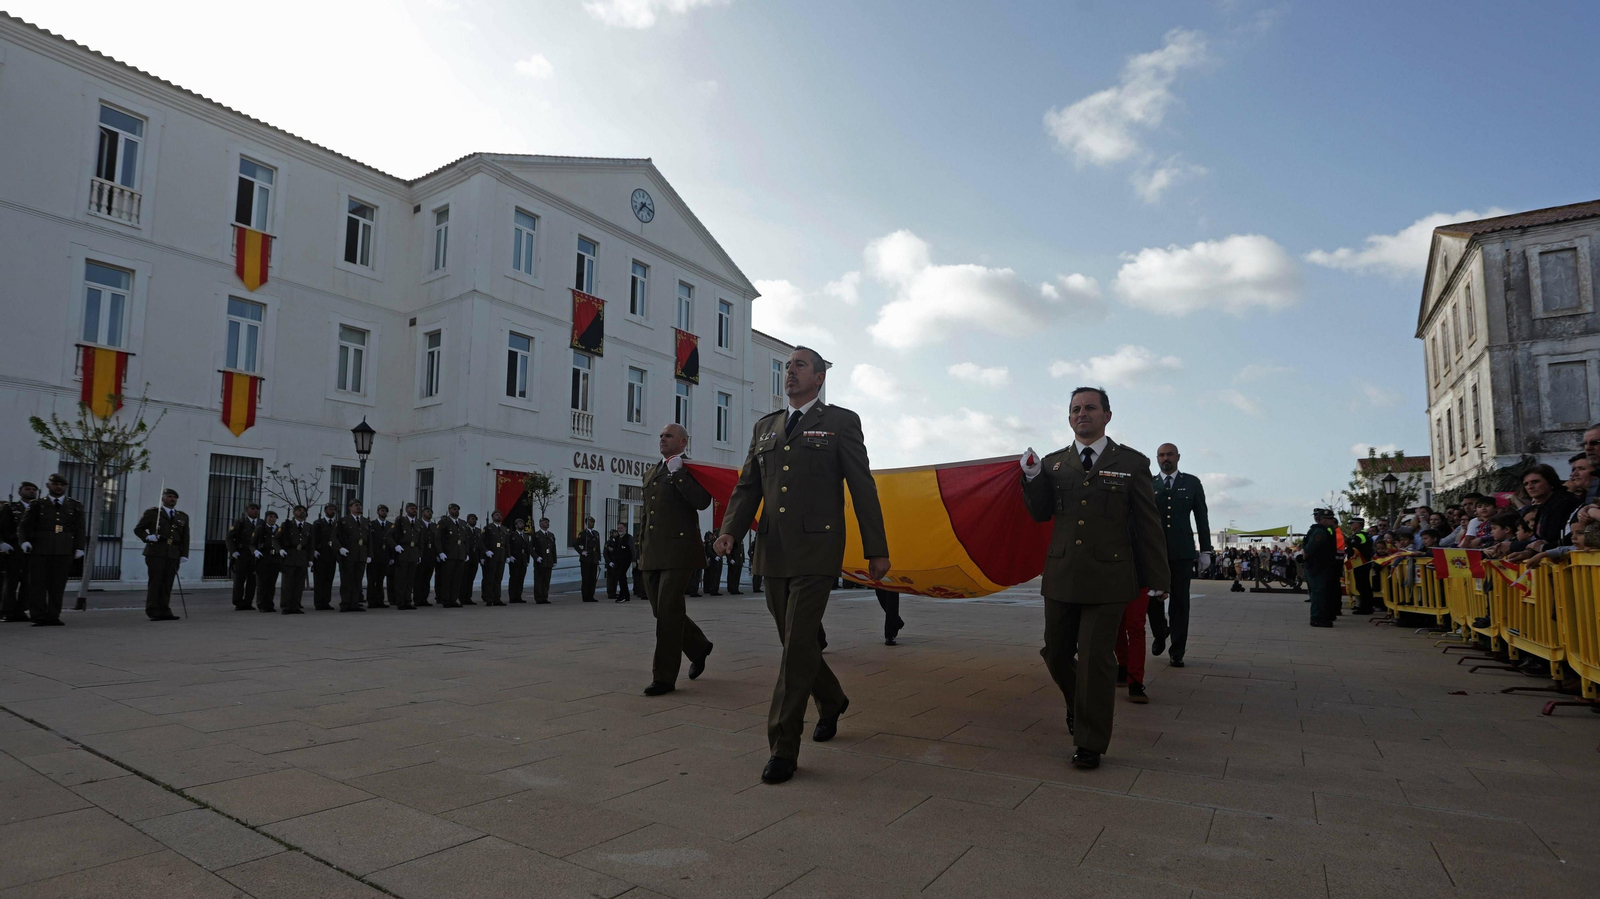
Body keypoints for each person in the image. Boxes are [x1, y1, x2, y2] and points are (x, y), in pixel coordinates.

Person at [714, 346, 890, 785]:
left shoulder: (839, 422)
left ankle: (783, 747)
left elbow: (862, 488)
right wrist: (730, 529)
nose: (790, 371)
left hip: (817, 550)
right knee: (795, 642)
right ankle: (831, 700)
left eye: (799, 365)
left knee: (795, 649)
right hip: (772, 550)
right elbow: (747, 486)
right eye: (786, 365)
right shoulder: (765, 427)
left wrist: (876, 548)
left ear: (819, 377)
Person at [1020, 387, 1168, 770]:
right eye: (1075, 410)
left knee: (1094, 661)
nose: (1081, 414)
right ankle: (1077, 704)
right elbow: (1039, 515)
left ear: (1107, 415)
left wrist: (1158, 576)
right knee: (1055, 653)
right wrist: (1032, 477)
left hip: (1109, 577)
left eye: (1089, 408)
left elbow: (1148, 524)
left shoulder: (1132, 463)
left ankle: (1089, 740)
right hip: (1063, 575)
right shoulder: (1053, 464)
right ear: (1069, 419)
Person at [639, 422, 716, 696]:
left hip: (679, 552)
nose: (662, 439)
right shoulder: (651, 472)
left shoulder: (690, 469)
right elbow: (647, 517)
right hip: (652, 553)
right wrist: (641, 550)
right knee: (661, 611)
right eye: (660, 435)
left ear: (683, 442)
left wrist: (680, 475)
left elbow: (702, 501)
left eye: (668, 435)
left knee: (668, 614)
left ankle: (664, 678)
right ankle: (699, 646)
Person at [1151, 443, 1211, 669]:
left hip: (1181, 551)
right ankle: (1160, 632)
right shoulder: (1150, 483)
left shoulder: (1192, 483)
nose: (1165, 458)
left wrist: (1206, 550)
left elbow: (1201, 518)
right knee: (1150, 598)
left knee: (1180, 602)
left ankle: (1177, 650)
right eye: (1161, 455)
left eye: (1169, 454)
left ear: (1178, 457)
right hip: (1154, 552)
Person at [18, 473, 86, 627]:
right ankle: (39, 616)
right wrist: (24, 542)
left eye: (61, 485)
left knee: (57, 585)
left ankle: (54, 615)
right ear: (48, 486)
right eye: (55, 484)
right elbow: (23, 526)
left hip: (63, 550)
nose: (58, 487)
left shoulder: (74, 505)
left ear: (66, 487)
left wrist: (80, 547)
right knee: (37, 585)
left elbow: (80, 528)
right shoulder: (37, 504)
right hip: (40, 550)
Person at [132, 487, 187, 621]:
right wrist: (148, 537)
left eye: (174, 497)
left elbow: (185, 536)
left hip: (173, 553)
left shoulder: (182, 516)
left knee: (167, 583)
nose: (172, 499)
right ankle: (153, 610)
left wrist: (184, 553)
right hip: (156, 551)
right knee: (155, 582)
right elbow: (138, 529)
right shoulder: (153, 513)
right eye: (169, 496)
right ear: (163, 498)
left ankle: (165, 609)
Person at [0, 481, 38, 623]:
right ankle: (7, 611)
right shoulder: (10, 508)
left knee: (28, 582)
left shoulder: (40, 509)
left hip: (33, 550)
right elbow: (2, 528)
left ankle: (21, 610)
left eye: (34, 489)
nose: (31, 491)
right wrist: (2, 543)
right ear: (20, 492)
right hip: (14, 549)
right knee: (11, 582)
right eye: (27, 489)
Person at [1303, 509, 1340, 627]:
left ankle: (1321, 616)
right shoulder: (1319, 532)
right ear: (1323, 520)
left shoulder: (1325, 531)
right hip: (1317, 567)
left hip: (1322, 566)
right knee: (1318, 592)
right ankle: (1316, 618)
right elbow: (1308, 550)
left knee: (1322, 592)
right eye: (1329, 518)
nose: (1332, 520)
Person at [226, 502, 262, 611]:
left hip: (254, 556)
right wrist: (233, 552)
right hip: (242, 555)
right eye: (252, 509)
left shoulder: (261, 523)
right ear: (247, 510)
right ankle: (238, 602)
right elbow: (229, 538)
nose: (255, 511)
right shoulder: (240, 523)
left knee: (252, 581)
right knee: (239, 580)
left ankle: (248, 602)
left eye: (256, 509)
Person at [278, 505, 313, 614]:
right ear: (294, 513)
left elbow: (311, 545)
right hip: (290, 556)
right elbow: (276, 539)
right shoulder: (287, 525)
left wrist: (310, 558)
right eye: (299, 510)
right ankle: (286, 606)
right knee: (287, 584)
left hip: (302, 557)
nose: (302, 512)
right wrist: (280, 550)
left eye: (304, 510)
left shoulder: (308, 527)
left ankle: (295, 606)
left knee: (299, 584)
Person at [336, 499, 370, 612]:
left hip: (361, 555)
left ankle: (354, 603)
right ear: (350, 507)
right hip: (348, 554)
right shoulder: (344, 521)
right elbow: (334, 537)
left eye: (360, 505)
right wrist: (340, 548)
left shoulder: (365, 521)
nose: (358, 507)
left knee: (357, 580)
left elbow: (369, 540)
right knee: (347, 580)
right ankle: (345, 603)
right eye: (356, 505)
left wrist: (370, 554)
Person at [434, 504, 470, 608]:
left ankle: (453, 599)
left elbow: (465, 540)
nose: (456, 511)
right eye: (454, 509)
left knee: (457, 579)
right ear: (449, 510)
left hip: (460, 555)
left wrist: (466, 553)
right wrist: (440, 552)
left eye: (458, 509)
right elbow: (437, 538)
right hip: (448, 555)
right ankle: (445, 600)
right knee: (447, 579)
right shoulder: (444, 522)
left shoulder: (462, 523)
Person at [389, 503, 424, 610]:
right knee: (401, 579)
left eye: (415, 508)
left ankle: (408, 601)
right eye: (411, 508)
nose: (414, 510)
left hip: (413, 553)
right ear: (406, 510)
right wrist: (396, 546)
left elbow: (421, 541)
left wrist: (419, 555)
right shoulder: (400, 521)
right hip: (402, 552)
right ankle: (400, 602)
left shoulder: (418, 523)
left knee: (410, 580)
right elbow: (388, 535)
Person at [311, 504, 341, 610]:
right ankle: (319, 602)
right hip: (320, 555)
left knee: (329, 580)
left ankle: (326, 601)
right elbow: (313, 538)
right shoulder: (318, 523)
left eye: (333, 509)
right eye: (330, 509)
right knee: (319, 580)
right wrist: (313, 550)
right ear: (325, 511)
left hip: (331, 555)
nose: (332, 511)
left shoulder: (336, 524)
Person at [252, 510, 283, 612]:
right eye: (270, 517)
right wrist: (255, 551)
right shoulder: (260, 529)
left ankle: (270, 604)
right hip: (263, 557)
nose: (272, 519)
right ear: (266, 518)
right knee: (262, 583)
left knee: (271, 583)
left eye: (274, 517)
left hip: (275, 559)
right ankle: (262, 604)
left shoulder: (279, 529)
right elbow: (252, 544)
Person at [1347, 516, 1377, 614]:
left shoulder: (1359, 536)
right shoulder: (1366, 534)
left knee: (1362, 586)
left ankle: (1366, 607)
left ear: (1358, 524)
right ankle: (1366, 606)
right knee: (1365, 585)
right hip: (1365, 562)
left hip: (1360, 562)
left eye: (1352, 523)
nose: (1351, 525)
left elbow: (1353, 549)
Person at [366, 505, 394, 608]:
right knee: (371, 580)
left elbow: (391, 542)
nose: (384, 512)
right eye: (382, 511)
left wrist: (391, 557)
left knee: (380, 580)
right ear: (378, 512)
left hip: (385, 556)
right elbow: (369, 541)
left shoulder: (390, 526)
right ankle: (371, 601)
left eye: (385, 511)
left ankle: (380, 600)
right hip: (374, 557)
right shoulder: (371, 525)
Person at [480, 510, 508, 606]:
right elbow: (481, 542)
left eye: (500, 515)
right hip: (491, 556)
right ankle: (489, 598)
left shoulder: (504, 529)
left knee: (498, 579)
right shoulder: (488, 528)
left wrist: (507, 556)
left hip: (501, 557)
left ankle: (497, 598)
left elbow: (506, 544)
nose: (499, 516)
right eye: (496, 515)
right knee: (490, 578)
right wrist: (486, 551)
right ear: (492, 517)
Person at [414, 506, 437, 607]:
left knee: (427, 578)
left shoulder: (434, 526)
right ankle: (417, 599)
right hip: (421, 554)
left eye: (431, 512)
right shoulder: (418, 524)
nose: (430, 513)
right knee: (419, 578)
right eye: (428, 511)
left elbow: (436, 541)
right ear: (423, 513)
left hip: (431, 555)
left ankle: (424, 598)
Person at [531, 518, 557, 603]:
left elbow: (553, 549)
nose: (547, 524)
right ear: (540, 524)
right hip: (540, 561)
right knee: (539, 580)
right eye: (545, 522)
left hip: (548, 561)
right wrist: (536, 557)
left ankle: (544, 597)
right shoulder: (536, 535)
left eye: (548, 522)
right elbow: (530, 548)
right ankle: (538, 598)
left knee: (546, 580)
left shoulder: (551, 535)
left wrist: (554, 560)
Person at [576, 515, 601, 602]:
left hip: (594, 559)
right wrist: (581, 551)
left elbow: (598, 546)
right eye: (590, 522)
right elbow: (576, 544)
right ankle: (585, 596)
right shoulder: (583, 533)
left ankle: (591, 595)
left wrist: (598, 558)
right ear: (586, 523)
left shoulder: (596, 533)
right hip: (586, 559)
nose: (592, 523)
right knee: (586, 578)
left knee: (593, 579)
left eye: (593, 522)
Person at [459, 513, 482, 605]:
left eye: (475, 519)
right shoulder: (464, 529)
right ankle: (462, 597)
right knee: (464, 578)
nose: (474, 521)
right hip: (467, 555)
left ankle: (468, 597)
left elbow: (480, 544)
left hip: (475, 556)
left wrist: (481, 557)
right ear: (468, 520)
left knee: (471, 578)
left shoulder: (478, 531)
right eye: (472, 519)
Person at [607, 523, 633, 601]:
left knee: (621, 576)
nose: (620, 530)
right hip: (618, 561)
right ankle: (625, 595)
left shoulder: (629, 537)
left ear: (625, 528)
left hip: (626, 560)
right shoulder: (618, 538)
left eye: (621, 528)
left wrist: (634, 560)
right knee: (621, 577)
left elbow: (632, 550)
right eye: (618, 528)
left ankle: (623, 595)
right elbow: (616, 549)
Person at [507, 518, 531, 603]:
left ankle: (518, 596)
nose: (522, 525)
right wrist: (509, 556)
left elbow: (527, 548)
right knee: (514, 578)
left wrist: (527, 559)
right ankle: (512, 597)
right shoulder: (512, 535)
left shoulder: (526, 536)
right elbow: (508, 546)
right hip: (515, 559)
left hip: (523, 560)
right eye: (520, 523)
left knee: (521, 579)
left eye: (522, 523)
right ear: (516, 525)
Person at [702, 531, 723, 596]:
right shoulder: (709, 543)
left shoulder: (715, 542)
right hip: (712, 561)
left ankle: (715, 589)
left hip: (717, 561)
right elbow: (709, 551)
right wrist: (714, 557)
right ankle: (712, 589)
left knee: (716, 576)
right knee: (711, 576)